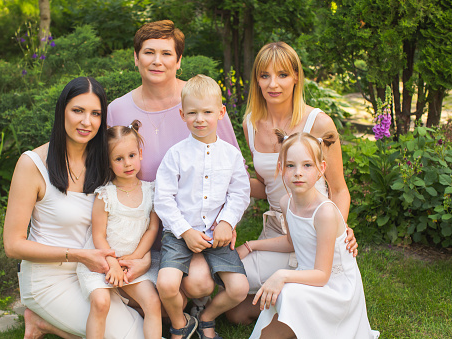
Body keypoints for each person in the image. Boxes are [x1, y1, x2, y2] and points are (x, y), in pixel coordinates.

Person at [107, 20, 240, 310]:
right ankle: (172, 313)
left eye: (167, 53)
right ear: (135, 58)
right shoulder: (117, 109)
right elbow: (104, 170)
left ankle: (188, 307)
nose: (157, 61)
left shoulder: (203, 104)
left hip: (192, 228)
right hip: (137, 227)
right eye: (148, 52)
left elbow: (232, 171)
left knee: (198, 284)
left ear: (179, 61)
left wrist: (227, 220)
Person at [226, 41, 358, 325]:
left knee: (263, 299)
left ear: (296, 76)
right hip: (278, 230)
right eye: (265, 75)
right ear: (256, 80)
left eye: (283, 74)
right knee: (233, 304)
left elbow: (339, 189)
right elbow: (267, 186)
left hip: (313, 231)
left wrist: (338, 230)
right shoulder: (251, 122)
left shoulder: (318, 122)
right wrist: (226, 179)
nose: (273, 84)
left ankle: (296, 303)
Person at [3, 77, 144, 339]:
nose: (86, 121)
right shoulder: (32, 164)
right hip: (49, 278)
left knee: (145, 333)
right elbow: (13, 245)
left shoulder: (105, 162)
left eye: (95, 113)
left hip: (93, 274)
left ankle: (42, 323)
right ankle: (40, 314)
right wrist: (79, 255)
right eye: (78, 110)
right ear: (62, 111)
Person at [249, 131, 378, 339]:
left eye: (307, 165)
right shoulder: (286, 202)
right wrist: (252, 245)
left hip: (335, 289)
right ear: (281, 169)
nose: (298, 172)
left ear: (321, 169)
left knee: (284, 292)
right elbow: (291, 242)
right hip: (308, 276)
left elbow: (322, 275)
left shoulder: (325, 212)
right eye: (291, 165)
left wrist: (282, 275)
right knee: (255, 324)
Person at [154, 75, 250, 339]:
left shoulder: (230, 155)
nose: (200, 119)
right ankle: (180, 324)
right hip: (179, 234)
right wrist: (184, 231)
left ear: (220, 113)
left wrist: (227, 222)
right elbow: (163, 198)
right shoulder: (176, 154)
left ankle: (206, 317)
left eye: (207, 112)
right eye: (193, 113)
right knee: (166, 284)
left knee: (239, 288)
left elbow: (240, 192)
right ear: (182, 114)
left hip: (216, 234)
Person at [76, 120, 161, 339]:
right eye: (119, 159)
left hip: (132, 262)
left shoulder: (150, 191)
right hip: (102, 262)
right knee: (101, 303)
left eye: (131, 156)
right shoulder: (105, 194)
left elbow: (152, 228)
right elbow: (98, 235)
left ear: (140, 153)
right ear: (108, 163)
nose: (127, 163)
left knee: (152, 302)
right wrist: (112, 264)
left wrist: (136, 256)